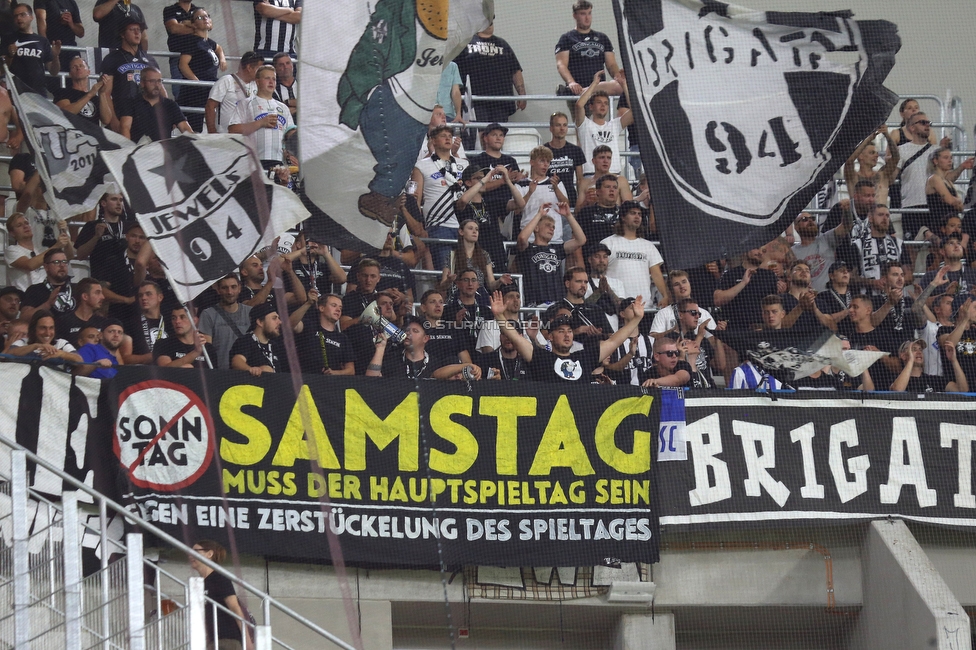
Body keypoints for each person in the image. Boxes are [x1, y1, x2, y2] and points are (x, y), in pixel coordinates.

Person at [492, 290, 645, 383]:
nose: (567, 335)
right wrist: (499, 316)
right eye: (561, 331)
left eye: (569, 331)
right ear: (550, 337)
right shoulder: (541, 358)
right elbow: (516, 338)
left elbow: (614, 340)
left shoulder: (585, 356)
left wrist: (636, 319)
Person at [410, 124, 466, 269]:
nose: (448, 138)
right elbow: (415, 199)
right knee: (445, 271)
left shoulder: (464, 164)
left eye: (450, 136)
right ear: (433, 141)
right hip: (438, 225)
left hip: (464, 225)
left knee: (465, 271)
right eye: (443, 136)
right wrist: (418, 226)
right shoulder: (421, 166)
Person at [453, 161, 522, 274]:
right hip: (474, 258)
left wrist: (508, 181)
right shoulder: (460, 204)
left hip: (496, 255)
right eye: (478, 178)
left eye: (484, 177)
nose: (484, 180)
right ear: (468, 182)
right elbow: (464, 200)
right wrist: (485, 180)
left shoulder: (491, 203)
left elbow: (520, 203)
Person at [454, 21, 525, 129]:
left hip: (500, 102)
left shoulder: (503, 44)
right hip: (475, 102)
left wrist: (522, 93)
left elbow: (515, 70)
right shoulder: (466, 44)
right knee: (479, 136)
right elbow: (453, 71)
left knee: (498, 136)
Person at [366, 315, 482, 381]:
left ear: (425, 338)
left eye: (415, 331)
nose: (408, 333)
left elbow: (439, 376)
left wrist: (467, 366)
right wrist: (380, 349)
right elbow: (370, 381)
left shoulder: (436, 364)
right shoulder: (392, 359)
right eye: (407, 330)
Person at [515, 202, 586, 307]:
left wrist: (568, 216)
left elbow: (581, 240)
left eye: (553, 226)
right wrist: (539, 215)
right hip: (535, 304)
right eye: (548, 225)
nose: (552, 228)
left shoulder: (557, 249)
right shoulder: (528, 249)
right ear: (536, 228)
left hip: (557, 305)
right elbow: (522, 238)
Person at [602, 201, 668, 307]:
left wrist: (665, 295)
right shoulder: (608, 243)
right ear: (623, 217)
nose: (637, 217)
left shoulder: (648, 246)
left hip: (643, 306)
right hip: (615, 305)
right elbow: (601, 274)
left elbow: (656, 274)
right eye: (632, 213)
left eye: (639, 214)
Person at [189, 540, 252, 650]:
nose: (190, 555)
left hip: (227, 640)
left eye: (196, 551)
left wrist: (247, 641)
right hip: (212, 641)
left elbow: (234, 608)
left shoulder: (219, 578)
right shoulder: (198, 584)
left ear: (209, 554)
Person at [229, 64, 292, 169]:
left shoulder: (283, 108)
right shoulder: (245, 104)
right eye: (267, 78)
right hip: (253, 163)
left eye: (274, 79)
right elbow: (232, 130)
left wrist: (289, 151)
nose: (271, 82)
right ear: (257, 82)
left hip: (278, 163)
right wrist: (260, 123)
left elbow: (290, 135)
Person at [555, 0, 619, 98]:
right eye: (583, 14)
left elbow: (611, 64)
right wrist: (571, 83)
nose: (587, 18)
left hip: (599, 91)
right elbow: (561, 65)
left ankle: (581, 92)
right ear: (575, 16)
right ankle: (578, 91)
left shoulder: (602, 38)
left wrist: (617, 76)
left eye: (589, 13)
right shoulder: (567, 38)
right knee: (580, 113)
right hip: (577, 88)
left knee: (619, 85)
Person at [574, 71, 632, 176]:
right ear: (591, 106)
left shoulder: (615, 125)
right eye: (599, 102)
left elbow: (634, 111)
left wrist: (624, 85)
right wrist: (594, 84)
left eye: (605, 103)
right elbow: (579, 105)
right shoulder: (585, 124)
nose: (603, 106)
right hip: (591, 174)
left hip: (614, 174)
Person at [178, 7, 225, 132]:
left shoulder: (208, 42)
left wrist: (223, 59)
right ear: (194, 24)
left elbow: (219, 48)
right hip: (195, 93)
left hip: (207, 90)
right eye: (200, 17)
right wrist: (196, 81)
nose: (205, 19)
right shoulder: (192, 41)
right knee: (196, 128)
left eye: (207, 16)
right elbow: (183, 64)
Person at [713, 245, 780, 331]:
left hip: (761, 328)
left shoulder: (769, 276)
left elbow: (774, 304)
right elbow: (717, 300)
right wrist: (743, 283)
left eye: (763, 251)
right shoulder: (731, 274)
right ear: (745, 250)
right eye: (756, 248)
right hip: (734, 327)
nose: (760, 253)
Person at [512, 146, 569, 244]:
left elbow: (566, 205)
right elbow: (517, 210)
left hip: (554, 238)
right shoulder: (521, 184)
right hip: (530, 238)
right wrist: (530, 192)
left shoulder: (556, 183)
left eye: (548, 161)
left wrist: (555, 188)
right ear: (532, 162)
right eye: (542, 161)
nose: (546, 165)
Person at [119, 67, 192, 142]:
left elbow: (185, 128)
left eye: (159, 81)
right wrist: (128, 149)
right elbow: (125, 127)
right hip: (139, 150)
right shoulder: (131, 103)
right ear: (142, 83)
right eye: (152, 81)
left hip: (164, 151)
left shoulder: (171, 105)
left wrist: (196, 142)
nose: (157, 85)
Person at [98, 16, 156, 110]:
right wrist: (114, 122)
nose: (137, 33)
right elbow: (106, 94)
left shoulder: (150, 60)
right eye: (132, 29)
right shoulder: (111, 59)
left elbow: (159, 90)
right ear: (122, 34)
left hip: (147, 115)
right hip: (122, 112)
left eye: (139, 29)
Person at [5, 212, 72, 291]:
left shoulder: (40, 250)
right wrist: (56, 246)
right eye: (19, 225)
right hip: (23, 297)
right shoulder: (12, 250)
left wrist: (65, 233)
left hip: (43, 296)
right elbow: (30, 265)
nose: (25, 226)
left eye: (26, 223)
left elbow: (69, 256)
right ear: (12, 233)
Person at [852, 204, 911, 294]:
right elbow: (851, 277)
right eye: (880, 215)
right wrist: (872, 282)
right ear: (870, 218)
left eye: (887, 215)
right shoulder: (858, 244)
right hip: (869, 299)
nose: (884, 218)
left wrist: (893, 283)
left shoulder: (899, 244)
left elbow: (909, 276)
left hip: (895, 299)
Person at [445, 215, 512, 294]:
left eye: (476, 229)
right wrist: (448, 281)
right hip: (458, 295)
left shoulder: (484, 255)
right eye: (470, 228)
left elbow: (491, 285)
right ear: (461, 232)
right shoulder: (452, 255)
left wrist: (499, 281)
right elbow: (443, 285)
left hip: (480, 297)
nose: (474, 231)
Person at [3, 3, 59, 96]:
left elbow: (54, 71)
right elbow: (2, 69)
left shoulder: (42, 41)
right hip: (15, 91)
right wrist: (10, 55)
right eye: (16, 16)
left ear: (31, 17)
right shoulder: (8, 39)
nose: (19, 18)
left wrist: (56, 56)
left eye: (22, 15)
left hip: (38, 91)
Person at [292, 293, 354, 375]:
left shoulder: (343, 338)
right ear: (321, 308)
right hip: (305, 381)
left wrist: (335, 373)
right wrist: (308, 303)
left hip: (330, 384)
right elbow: (290, 325)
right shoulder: (309, 326)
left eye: (340, 307)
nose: (338, 310)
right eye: (334, 305)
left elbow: (351, 370)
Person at [199, 274, 252, 369]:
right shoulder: (208, 314)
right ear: (218, 290)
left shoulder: (251, 313)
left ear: (240, 288)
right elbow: (207, 349)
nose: (230, 292)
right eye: (225, 288)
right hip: (220, 372)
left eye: (233, 287)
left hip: (247, 371)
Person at [791, 211, 851, 292]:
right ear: (796, 227)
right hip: (808, 298)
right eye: (805, 219)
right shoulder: (792, 252)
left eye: (812, 218)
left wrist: (847, 209)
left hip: (831, 296)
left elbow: (846, 226)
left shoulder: (826, 239)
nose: (810, 221)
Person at [206, 50, 262, 134]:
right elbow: (210, 106)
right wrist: (212, 132)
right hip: (225, 135)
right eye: (259, 69)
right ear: (249, 67)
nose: (261, 72)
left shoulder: (257, 85)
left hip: (248, 137)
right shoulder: (226, 81)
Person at [54, 56, 115, 129]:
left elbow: (106, 120)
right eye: (74, 67)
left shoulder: (95, 98)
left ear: (88, 72)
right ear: (70, 74)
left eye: (81, 66)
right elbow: (65, 114)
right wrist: (90, 94)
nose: (78, 68)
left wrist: (102, 94)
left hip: (92, 136)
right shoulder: (63, 92)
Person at [844, 127, 899, 206]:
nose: (876, 156)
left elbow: (896, 158)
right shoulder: (853, 177)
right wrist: (869, 139)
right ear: (860, 156)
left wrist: (887, 135)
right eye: (872, 153)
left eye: (877, 153)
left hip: (879, 215)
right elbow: (849, 161)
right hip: (859, 216)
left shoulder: (882, 174)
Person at [890, 338, 967, 393]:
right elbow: (897, 391)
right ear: (903, 356)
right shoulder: (896, 379)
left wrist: (954, 360)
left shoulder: (934, 380)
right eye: (914, 349)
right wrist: (910, 360)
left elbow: (963, 390)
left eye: (920, 349)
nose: (919, 352)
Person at [119, 280, 169, 364]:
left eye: (148, 294)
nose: (144, 298)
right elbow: (125, 358)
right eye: (140, 295)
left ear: (160, 297)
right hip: (142, 373)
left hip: (168, 371)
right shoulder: (130, 323)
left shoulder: (171, 322)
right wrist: (154, 356)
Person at [8, 309, 83, 365]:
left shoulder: (61, 343)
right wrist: (36, 346)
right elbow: (8, 354)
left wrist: (61, 354)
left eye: (51, 328)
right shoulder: (23, 342)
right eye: (43, 328)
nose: (47, 333)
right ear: (33, 329)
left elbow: (80, 360)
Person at [574, 174, 619, 263]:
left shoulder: (624, 213)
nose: (612, 190)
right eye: (607, 187)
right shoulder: (586, 212)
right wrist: (580, 264)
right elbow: (576, 241)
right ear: (598, 191)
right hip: (592, 263)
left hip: (618, 264)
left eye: (615, 187)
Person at [21, 249, 76, 321]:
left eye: (64, 262)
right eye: (56, 262)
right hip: (48, 330)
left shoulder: (78, 288)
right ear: (46, 267)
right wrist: (48, 304)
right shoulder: (35, 290)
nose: (62, 265)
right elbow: (24, 318)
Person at [545, 112, 586, 208]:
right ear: (551, 128)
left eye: (565, 125)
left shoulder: (575, 150)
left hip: (570, 197)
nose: (562, 128)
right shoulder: (543, 151)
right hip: (549, 198)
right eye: (558, 125)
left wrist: (580, 201)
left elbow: (580, 180)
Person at [230, 301, 283, 375]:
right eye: (274, 318)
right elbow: (237, 361)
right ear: (260, 322)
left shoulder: (274, 346)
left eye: (278, 318)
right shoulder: (246, 341)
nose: (279, 322)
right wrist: (251, 370)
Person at [925, 147, 970, 231]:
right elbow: (950, 201)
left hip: (953, 223)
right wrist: (957, 200)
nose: (950, 161)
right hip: (940, 224)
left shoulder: (948, 181)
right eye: (946, 158)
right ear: (936, 161)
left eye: (951, 158)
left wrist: (956, 201)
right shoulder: (934, 178)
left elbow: (961, 207)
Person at [34, 0, 83, 73]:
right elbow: (40, 19)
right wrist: (46, 47)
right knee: (53, 79)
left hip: (70, 49)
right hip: (52, 47)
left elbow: (81, 33)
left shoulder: (71, 2)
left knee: (73, 79)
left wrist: (71, 23)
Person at [162, 0, 197, 93]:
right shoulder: (170, 10)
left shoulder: (198, 10)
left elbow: (207, 27)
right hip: (178, 57)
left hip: (199, 58)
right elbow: (174, 28)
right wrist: (196, 27)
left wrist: (186, 23)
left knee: (201, 92)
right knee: (180, 91)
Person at [476, 283, 522, 353]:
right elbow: (488, 357)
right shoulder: (489, 326)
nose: (516, 300)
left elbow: (542, 351)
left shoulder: (526, 326)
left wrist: (533, 339)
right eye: (511, 297)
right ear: (501, 301)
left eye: (518, 297)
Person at [272, 52, 297, 120]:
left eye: (288, 63)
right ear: (275, 68)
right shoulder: (272, 88)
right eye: (281, 65)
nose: (285, 67)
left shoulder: (303, 84)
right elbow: (278, 112)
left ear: (292, 65)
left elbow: (310, 105)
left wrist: (287, 102)